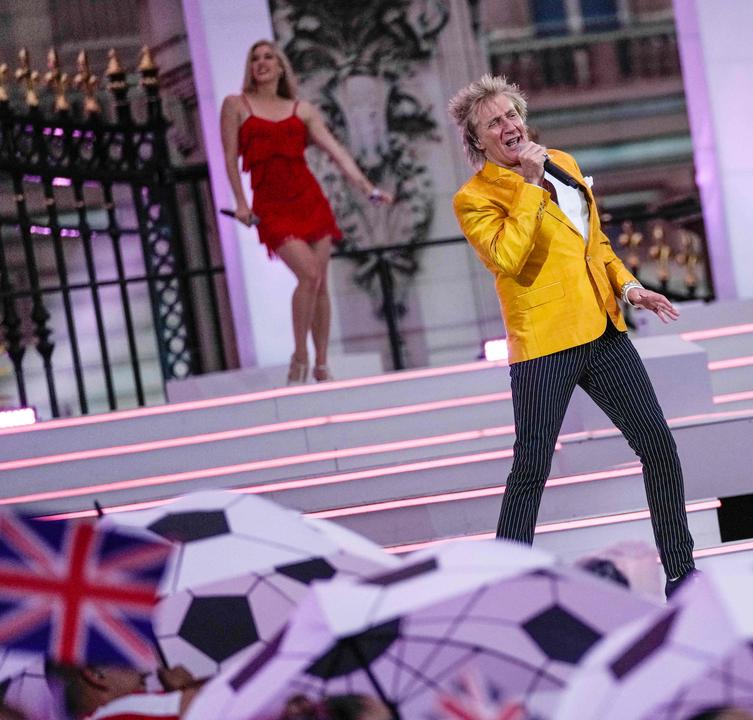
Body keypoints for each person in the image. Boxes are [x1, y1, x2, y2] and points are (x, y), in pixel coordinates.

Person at [448, 75, 697, 598]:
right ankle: (505, 583)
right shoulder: (475, 198)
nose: (509, 126)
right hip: (543, 344)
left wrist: (631, 289)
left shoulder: (562, 160)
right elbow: (508, 257)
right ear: (479, 142)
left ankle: (680, 572)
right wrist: (533, 189)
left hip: (604, 329)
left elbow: (595, 243)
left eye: (511, 115)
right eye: (494, 123)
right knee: (532, 465)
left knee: (658, 445)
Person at [219, 40, 390, 385]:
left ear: (281, 67)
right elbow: (229, 158)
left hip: (309, 200)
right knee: (308, 274)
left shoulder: (301, 109)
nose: (262, 63)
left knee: (319, 282)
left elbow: (336, 153)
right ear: (250, 69)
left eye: (269, 57)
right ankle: (300, 355)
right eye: (255, 59)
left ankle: (322, 364)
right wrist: (240, 202)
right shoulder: (236, 105)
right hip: (271, 205)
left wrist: (367, 188)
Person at [45, 663, 201, 720]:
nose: (144, 670)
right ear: (95, 675)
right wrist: (187, 688)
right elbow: (217, 703)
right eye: (125, 658)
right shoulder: (122, 712)